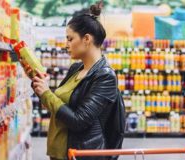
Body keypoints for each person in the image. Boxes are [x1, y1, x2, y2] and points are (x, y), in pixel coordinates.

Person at [23, 2, 125, 160]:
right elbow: (56, 106)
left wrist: (47, 93)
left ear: (86, 39)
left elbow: (79, 120)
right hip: (60, 153)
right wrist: (38, 84)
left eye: (70, 39)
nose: (66, 45)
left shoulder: (105, 76)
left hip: (80, 154)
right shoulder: (75, 69)